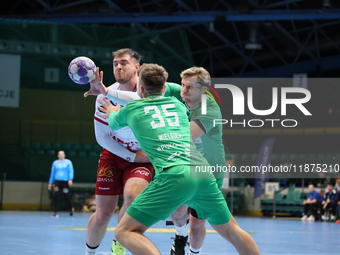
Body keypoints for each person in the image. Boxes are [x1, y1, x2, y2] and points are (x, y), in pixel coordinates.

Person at [98, 63, 260, 255]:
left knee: (124, 231)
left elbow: (116, 122)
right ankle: (181, 236)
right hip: (202, 172)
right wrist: (108, 90)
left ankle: (188, 245)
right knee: (231, 229)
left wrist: (112, 113)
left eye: (189, 87)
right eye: (183, 86)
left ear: (140, 88)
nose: (185, 90)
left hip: (178, 173)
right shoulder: (178, 105)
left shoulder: (207, 109)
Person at [83, 48, 153, 255]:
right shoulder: (103, 96)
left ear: (137, 67)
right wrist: (131, 156)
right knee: (103, 214)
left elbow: (141, 104)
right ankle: (90, 253)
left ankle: (118, 243)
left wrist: (139, 156)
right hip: (114, 154)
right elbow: (102, 137)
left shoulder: (150, 92)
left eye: (124, 62)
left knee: (132, 196)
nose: (118, 67)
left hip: (143, 156)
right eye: (115, 63)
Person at [48, 150, 74, 217]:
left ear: (64, 155)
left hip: (65, 182)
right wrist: (50, 182)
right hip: (57, 182)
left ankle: (71, 208)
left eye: (62, 154)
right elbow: (52, 173)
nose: (61, 155)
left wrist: (70, 179)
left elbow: (71, 171)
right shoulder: (55, 163)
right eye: (59, 154)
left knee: (66, 196)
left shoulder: (68, 162)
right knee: (56, 195)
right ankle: (55, 212)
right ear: (58, 155)